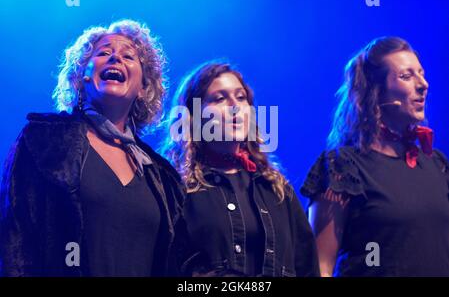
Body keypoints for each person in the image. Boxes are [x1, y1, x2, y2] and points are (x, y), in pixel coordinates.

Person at [0, 19, 186, 277]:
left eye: (128, 56)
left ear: (143, 87)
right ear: (82, 76)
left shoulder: (163, 178)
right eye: (104, 53)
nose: (115, 59)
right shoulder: (43, 141)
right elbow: (15, 240)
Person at [300, 36, 449, 276]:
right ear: (375, 92)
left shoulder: (437, 164)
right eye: (406, 76)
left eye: (421, 73)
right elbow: (320, 266)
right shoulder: (343, 167)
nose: (423, 84)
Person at [161, 61, 319, 277]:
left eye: (241, 97)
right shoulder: (175, 188)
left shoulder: (276, 189)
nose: (235, 106)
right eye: (219, 98)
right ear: (194, 116)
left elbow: (307, 267)